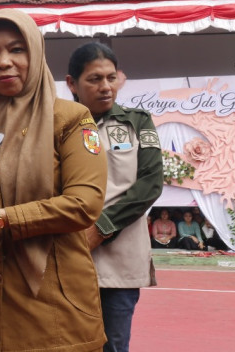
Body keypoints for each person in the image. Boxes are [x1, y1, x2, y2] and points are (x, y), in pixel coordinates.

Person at [0, 9, 108, 352]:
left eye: (17, 49)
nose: (3, 62)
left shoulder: (70, 119)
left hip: (52, 308)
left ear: (36, 53)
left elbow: (83, 205)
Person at [66, 42, 164, 352]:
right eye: (94, 79)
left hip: (120, 263)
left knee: (114, 346)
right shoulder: (58, 127)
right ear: (72, 84)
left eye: (111, 78)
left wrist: (102, 227)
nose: (106, 87)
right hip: (67, 258)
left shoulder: (137, 122)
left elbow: (150, 183)